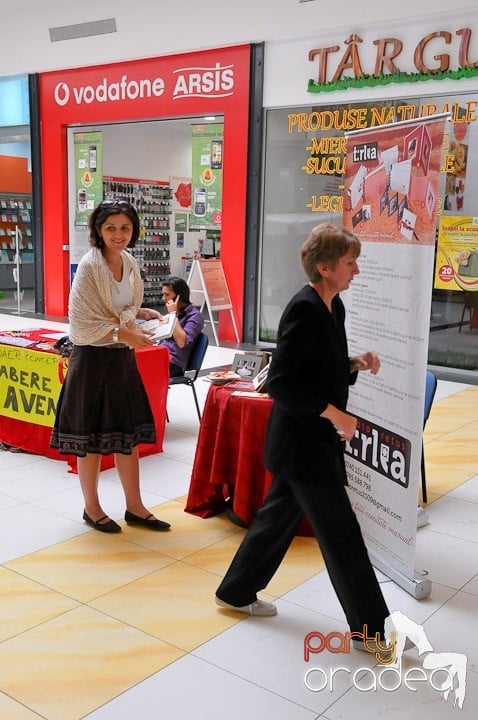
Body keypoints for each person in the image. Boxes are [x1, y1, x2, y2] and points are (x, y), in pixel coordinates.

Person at [215, 223, 391, 650]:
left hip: (308, 442)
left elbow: (317, 368)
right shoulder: (304, 308)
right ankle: (370, 631)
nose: (357, 271)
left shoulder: (334, 307)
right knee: (342, 534)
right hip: (304, 444)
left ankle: (235, 592)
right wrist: (337, 416)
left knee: (276, 519)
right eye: (351, 263)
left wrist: (353, 364)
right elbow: (281, 382)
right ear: (326, 267)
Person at [50, 199, 170, 533]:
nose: (119, 234)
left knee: (126, 437)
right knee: (89, 441)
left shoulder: (129, 262)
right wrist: (124, 332)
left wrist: (140, 314)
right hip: (92, 360)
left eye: (125, 228)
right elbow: (81, 323)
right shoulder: (90, 266)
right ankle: (92, 508)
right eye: (111, 228)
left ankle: (135, 506)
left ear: (133, 231)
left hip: (120, 358)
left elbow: (122, 305)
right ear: (98, 231)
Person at [159, 276, 204, 377]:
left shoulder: (195, 316)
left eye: (167, 295)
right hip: (160, 356)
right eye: (163, 294)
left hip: (174, 363)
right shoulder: (173, 314)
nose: (163, 298)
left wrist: (173, 315)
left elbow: (181, 342)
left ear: (180, 296)